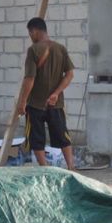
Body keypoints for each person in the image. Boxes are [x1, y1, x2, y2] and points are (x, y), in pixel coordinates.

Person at [16, 17, 76, 171]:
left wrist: (22, 102)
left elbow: (29, 78)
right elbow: (69, 74)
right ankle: (71, 166)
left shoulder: (33, 50)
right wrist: (56, 93)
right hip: (56, 103)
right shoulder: (60, 48)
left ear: (34, 31)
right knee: (62, 135)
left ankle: (45, 169)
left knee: (36, 138)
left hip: (35, 104)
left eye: (30, 33)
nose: (30, 36)